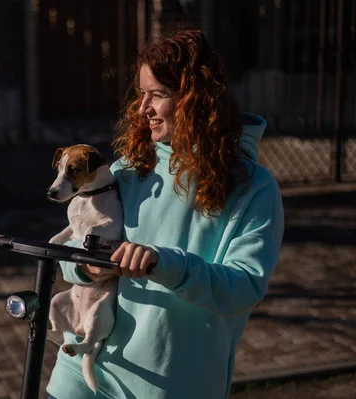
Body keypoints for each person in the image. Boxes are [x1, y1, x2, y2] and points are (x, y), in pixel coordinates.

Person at [46, 29, 284, 399]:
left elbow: (245, 286)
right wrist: (86, 265)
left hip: (167, 383)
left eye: (158, 95)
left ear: (197, 101)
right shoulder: (127, 167)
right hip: (82, 367)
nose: (143, 109)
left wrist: (167, 263)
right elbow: (73, 246)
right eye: (142, 94)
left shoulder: (253, 187)